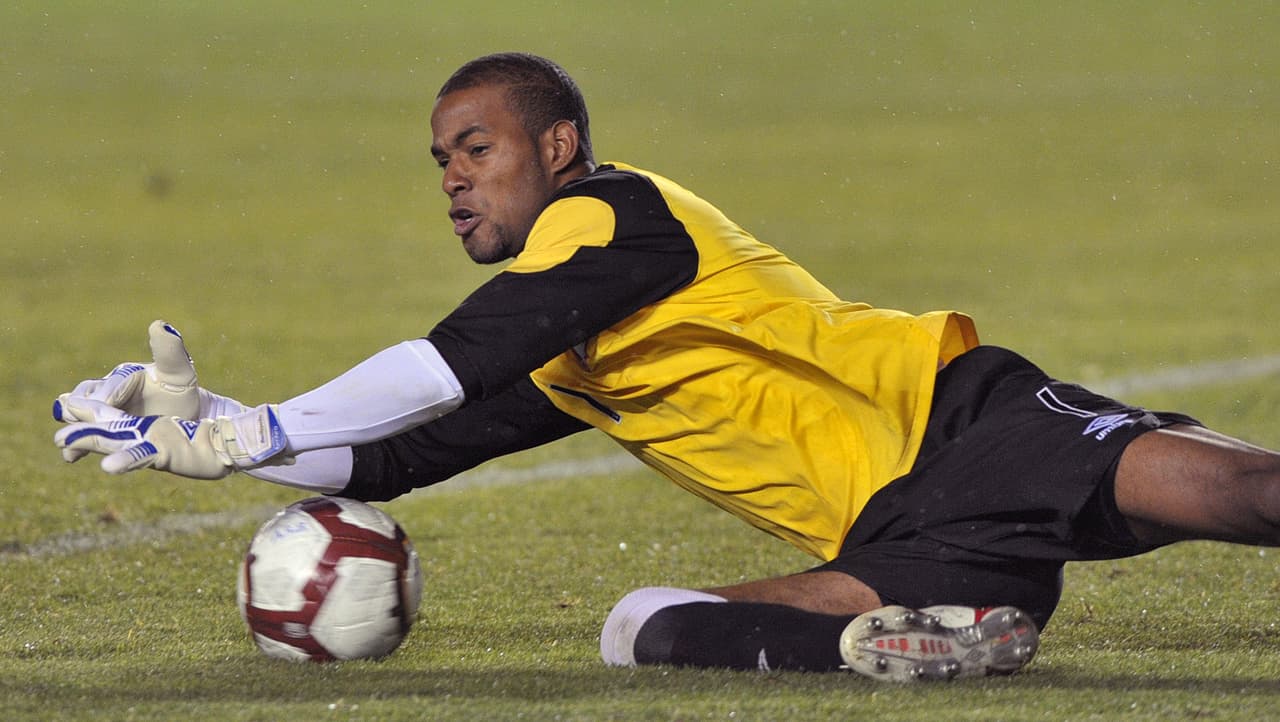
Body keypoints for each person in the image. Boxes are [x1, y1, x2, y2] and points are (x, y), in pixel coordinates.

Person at [53, 52, 1280, 682]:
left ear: (559, 145)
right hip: (893, 544)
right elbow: (397, 451)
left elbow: (448, 359)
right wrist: (199, 429)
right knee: (638, 624)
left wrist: (255, 426)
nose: (451, 181)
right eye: (438, 162)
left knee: (1246, 491)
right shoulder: (568, 346)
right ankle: (896, 643)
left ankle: (920, 629)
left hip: (953, 421)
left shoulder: (618, 215)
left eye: (473, 150)